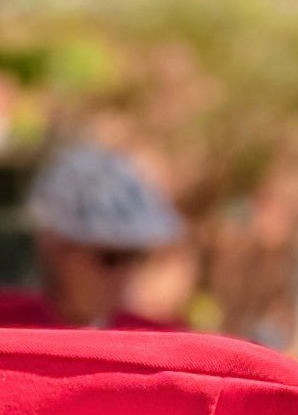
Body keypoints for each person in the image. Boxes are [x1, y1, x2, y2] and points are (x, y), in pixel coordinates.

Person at [26, 141, 184, 330]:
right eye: (110, 258)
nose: (125, 275)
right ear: (56, 248)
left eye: (138, 256)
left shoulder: (158, 342)